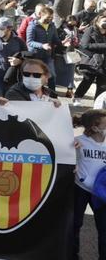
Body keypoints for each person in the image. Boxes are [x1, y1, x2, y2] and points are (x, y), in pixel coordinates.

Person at [72, 109, 106, 260]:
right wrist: (72, 149)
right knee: (75, 224)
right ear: (94, 127)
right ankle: (72, 255)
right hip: (81, 189)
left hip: (101, 192)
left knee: (104, 228)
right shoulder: (79, 141)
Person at [77, 13, 106, 102]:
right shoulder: (90, 30)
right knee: (87, 82)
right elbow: (84, 45)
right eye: (104, 21)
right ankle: (77, 98)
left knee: (102, 86)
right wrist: (104, 45)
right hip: (91, 61)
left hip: (104, 64)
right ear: (97, 21)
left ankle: (97, 105)